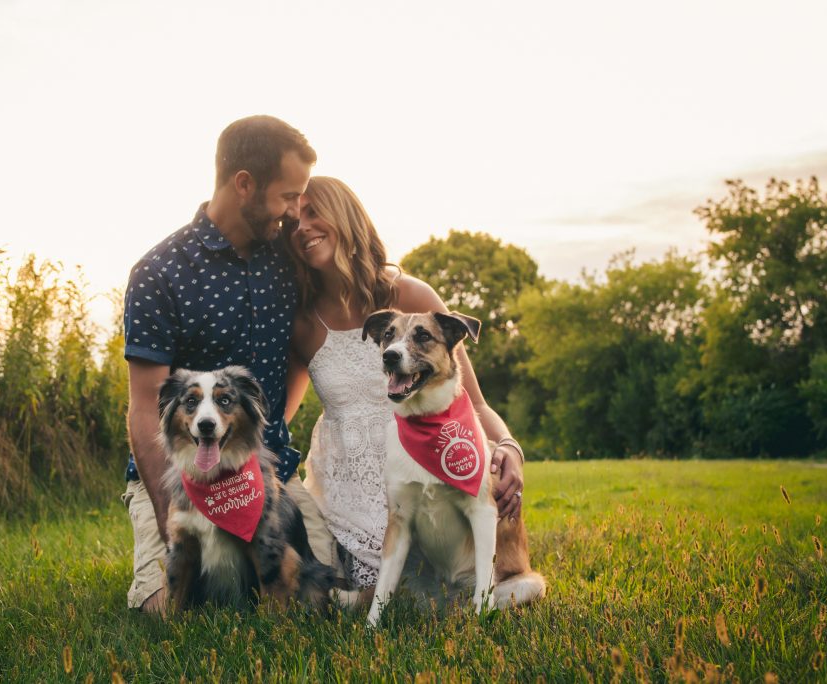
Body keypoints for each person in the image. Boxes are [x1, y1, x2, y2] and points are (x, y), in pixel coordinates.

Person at [122, 116, 337, 613]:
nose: (294, 212)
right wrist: (172, 516)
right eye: (288, 196)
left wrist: (269, 427)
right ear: (244, 184)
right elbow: (142, 406)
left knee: (319, 597)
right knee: (166, 607)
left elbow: (298, 351)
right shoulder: (161, 273)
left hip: (268, 474)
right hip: (182, 477)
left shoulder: (288, 259)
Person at [284, 176, 526, 589]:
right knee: (349, 592)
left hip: (430, 472)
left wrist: (509, 447)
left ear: (345, 216)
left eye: (313, 212)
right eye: (294, 220)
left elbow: (476, 402)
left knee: (455, 585)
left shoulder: (410, 294)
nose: (302, 227)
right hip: (346, 494)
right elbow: (277, 419)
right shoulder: (303, 322)